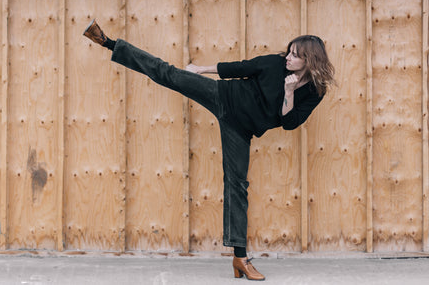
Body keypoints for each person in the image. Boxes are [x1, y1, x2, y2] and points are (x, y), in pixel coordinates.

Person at [83, 19, 335, 281]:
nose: (288, 57)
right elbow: (240, 67)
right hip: (222, 94)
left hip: (240, 129)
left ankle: (240, 258)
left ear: (310, 61)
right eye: (290, 51)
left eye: (295, 55)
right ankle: (109, 43)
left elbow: (289, 123)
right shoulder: (274, 62)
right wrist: (200, 69)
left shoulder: (316, 91)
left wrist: (289, 91)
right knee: (168, 73)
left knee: (237, 186)